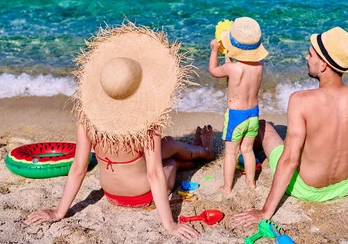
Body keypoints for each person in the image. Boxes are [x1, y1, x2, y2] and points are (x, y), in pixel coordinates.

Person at [24, 22, 214, 242]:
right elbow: (154, 174)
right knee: (169, 158)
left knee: (166, 147)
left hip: (111, 195)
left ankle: (194, 153)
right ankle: (202, 152)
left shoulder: (88, 118)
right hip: (143, 196)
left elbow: (78, 168)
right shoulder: (146, 122)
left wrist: (58, 212)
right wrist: (169, 225)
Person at [233, 27, 348, 226]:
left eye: (311, 54)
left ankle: (240, 152)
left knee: (264, 127)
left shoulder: (300, 100)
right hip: (343, 186)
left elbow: (289, 160)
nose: (307, 57)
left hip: (305, 188)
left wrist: (265, 212)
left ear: (323, 65)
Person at [209, 17, 268, 194]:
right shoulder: (260, 65)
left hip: (236, 116)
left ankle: (227, 187)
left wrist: (214, 51)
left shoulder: (233, 69)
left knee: (230, 153)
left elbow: (214, 71)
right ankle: (251, 183)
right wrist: (229, 55)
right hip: (253, 114)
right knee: (247, 150)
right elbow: (236, 69)